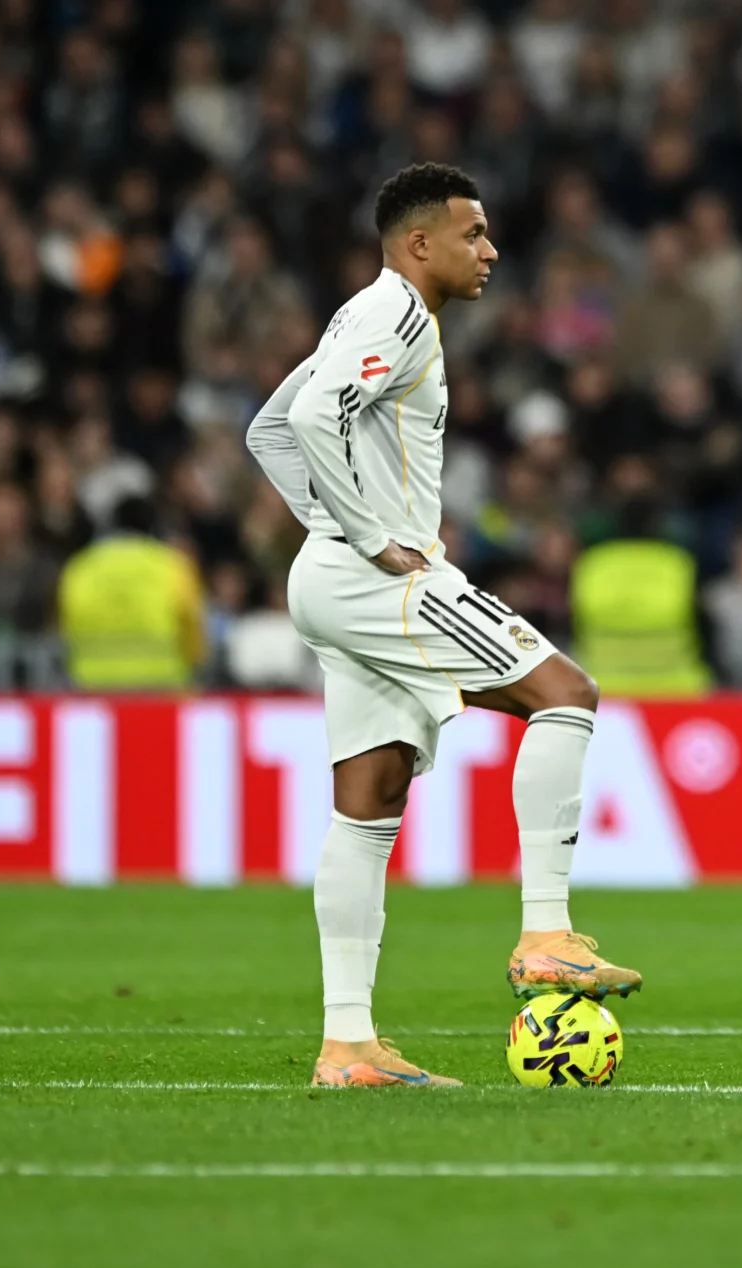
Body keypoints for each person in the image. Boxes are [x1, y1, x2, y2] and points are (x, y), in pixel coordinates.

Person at [246, 164, 638, 1090]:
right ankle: (546, 933)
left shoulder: (358, 311)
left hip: (332, 577)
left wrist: (332, 528)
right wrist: (374, 537)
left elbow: (269, 430)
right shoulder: (398, 318)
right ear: (420, 243)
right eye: (474, 234)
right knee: (566, 695)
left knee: (370, 800)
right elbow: (304, 416)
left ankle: (348, 1046)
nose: (491, 250)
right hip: (376, 578)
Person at [57, 495, 205, 691]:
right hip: (160, 684)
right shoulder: (172, 565)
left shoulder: (81, 566)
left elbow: (65, 623)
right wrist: (194, 662)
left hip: (94, 684)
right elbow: (190, 621)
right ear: (152, 526)